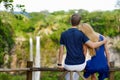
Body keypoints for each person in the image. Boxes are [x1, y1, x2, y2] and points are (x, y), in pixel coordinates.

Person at [57, 13, 107, 80]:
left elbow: (61, 51)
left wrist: (60, 64)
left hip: (68, 65)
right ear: (79, 22)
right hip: (80, 65)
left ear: (70, 21)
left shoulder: (63, 34)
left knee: (68, 75)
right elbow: (92, 45)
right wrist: (103, 41)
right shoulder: (81, 34)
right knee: (78, 73)